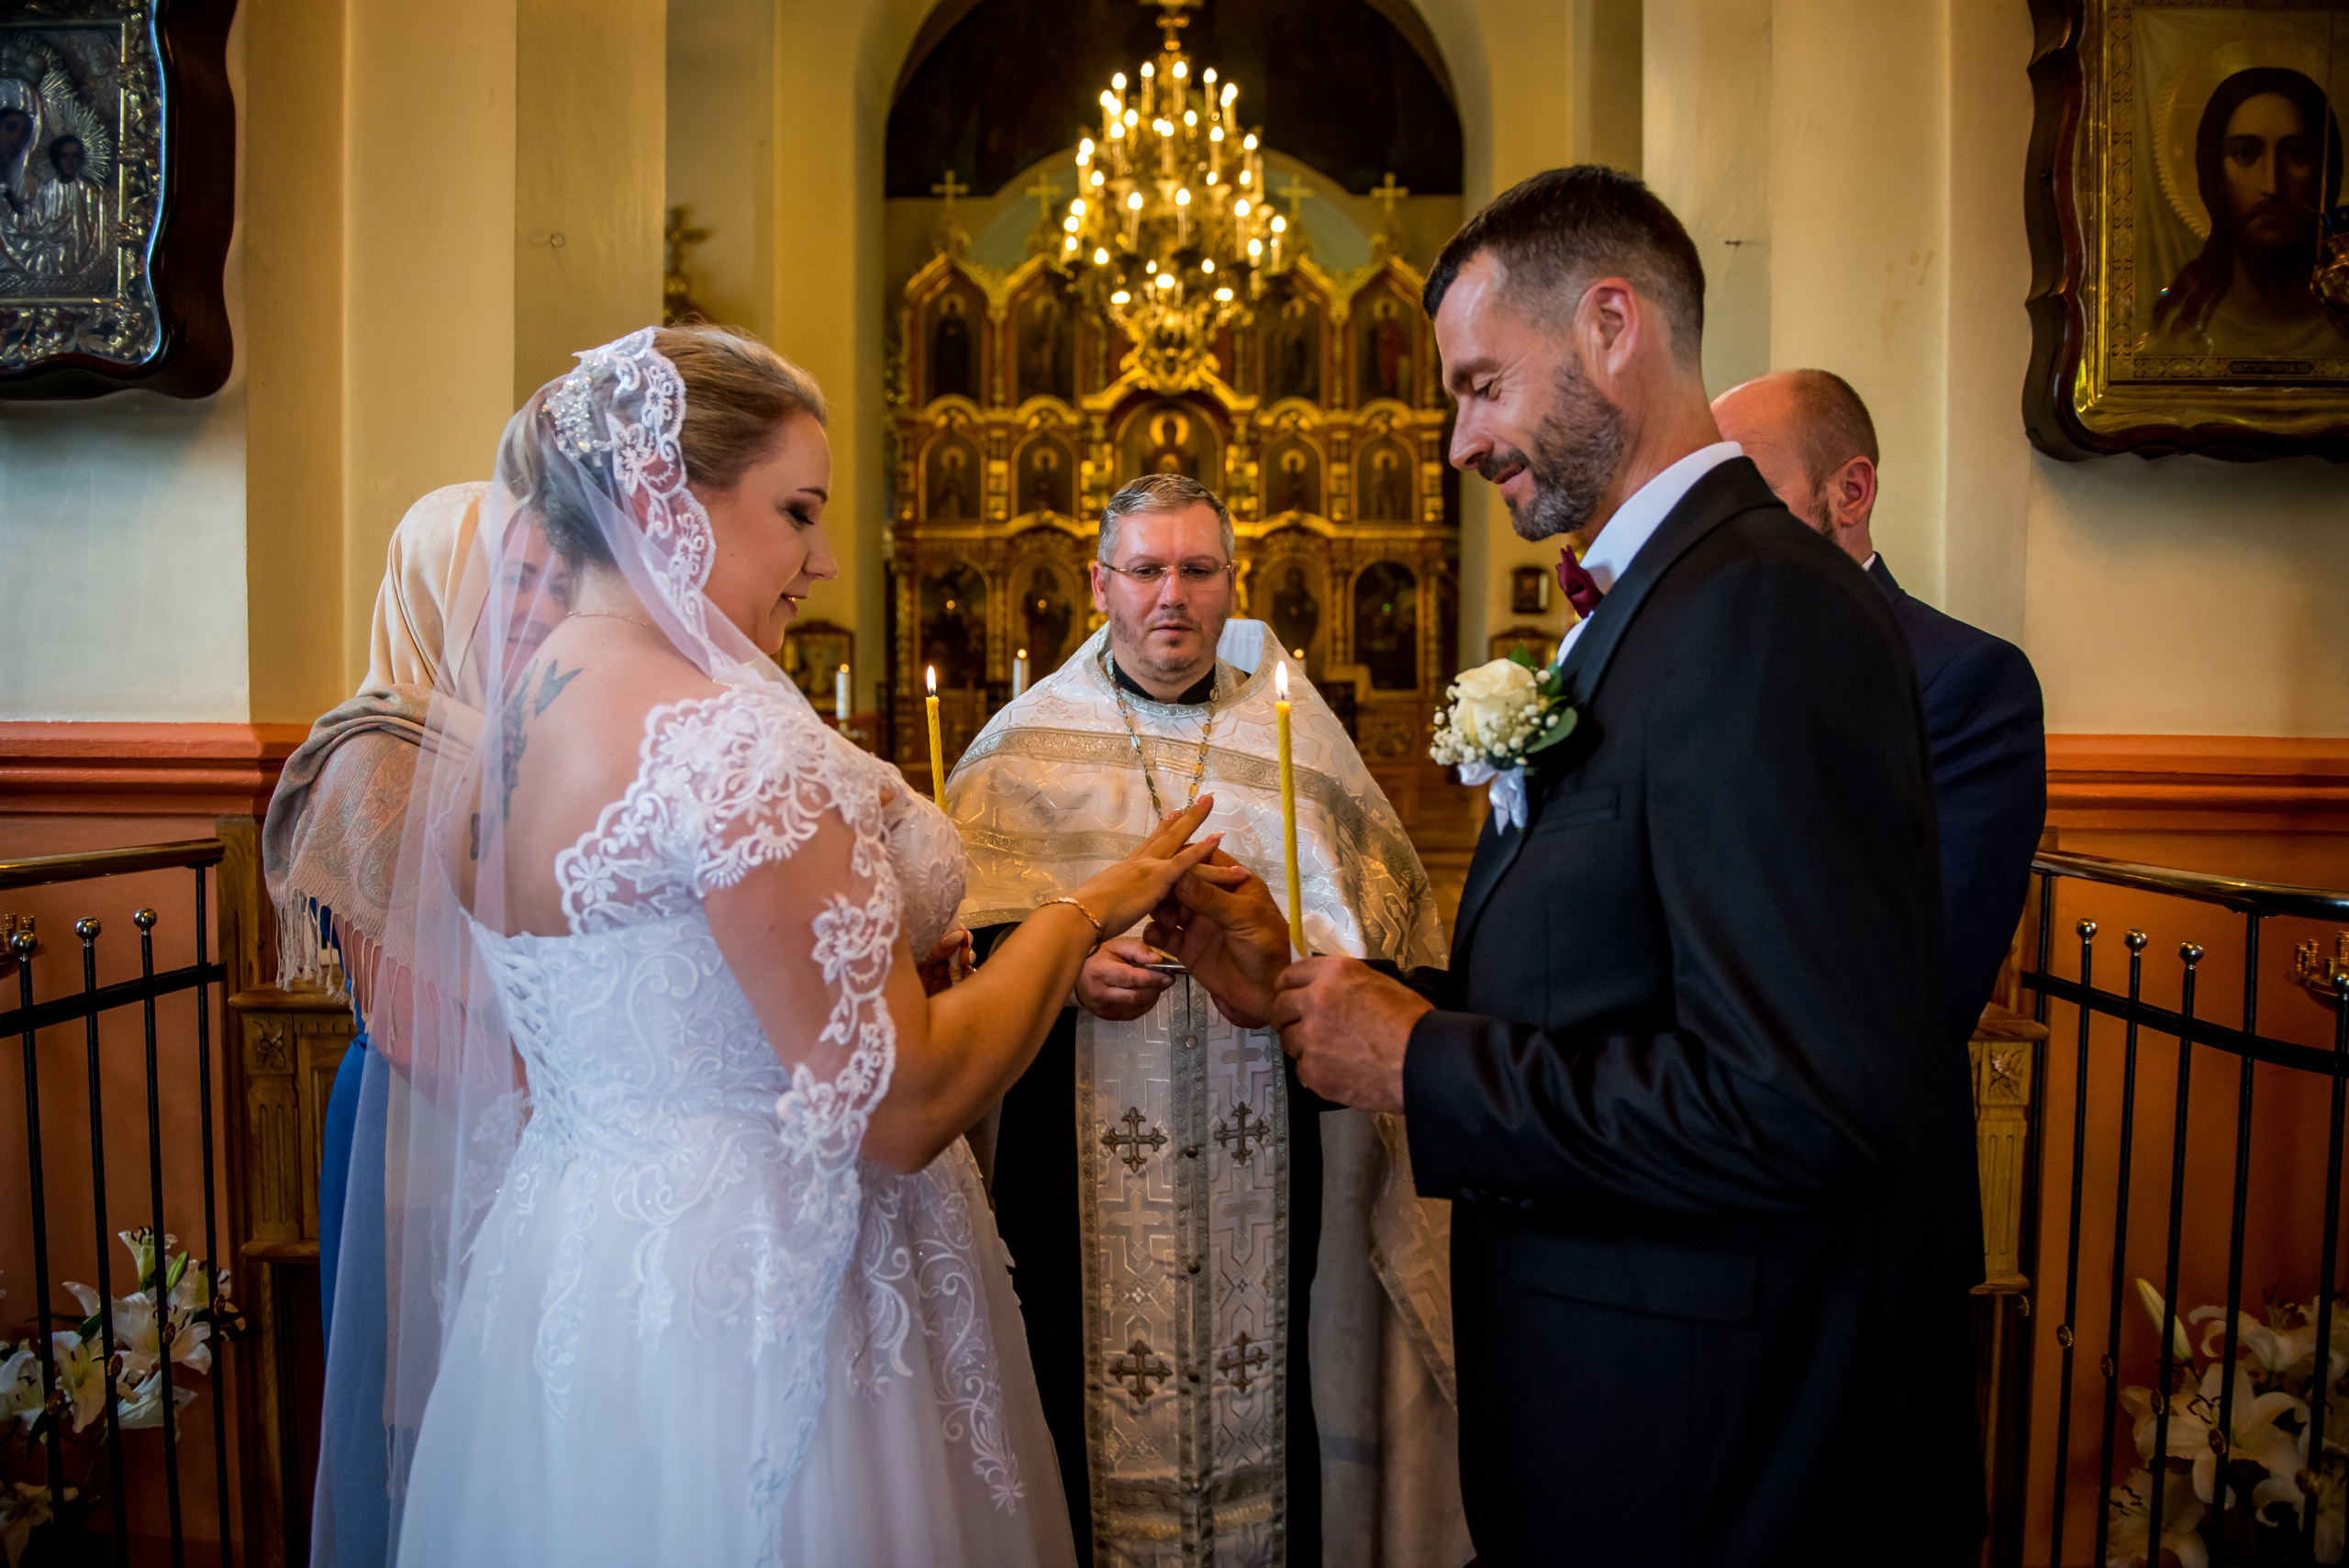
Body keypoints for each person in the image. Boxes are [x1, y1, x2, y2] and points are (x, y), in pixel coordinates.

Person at [314, 324, 1244, 1567]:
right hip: (765, 1289)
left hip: (571, 1269)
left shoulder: (508, 730)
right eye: (797, 511)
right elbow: (901, 1105)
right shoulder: (727, 740)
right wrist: (1090, 907)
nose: (824, 558)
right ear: (669, 496)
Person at [1252, 167, 1987, 1564]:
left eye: (1481, 385)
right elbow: (1610, 991)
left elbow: (1794, 1102)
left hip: (1711, 1460)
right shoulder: (1654, 608)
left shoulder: (1759, 611)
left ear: (1609, 326)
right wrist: (1346, 996)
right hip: (1619, 1422)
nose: (1460, 441)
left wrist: (1424, 1062)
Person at [944, 473, 1468, 1568]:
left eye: (1196, 569)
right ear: (1100, 583)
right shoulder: (1016, 749)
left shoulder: (1301, 744)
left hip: (1262, 1148)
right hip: (1070, 1148)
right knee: (1067, 1395)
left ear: (1234, 581)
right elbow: (958, 952)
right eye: (1145, 569)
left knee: (1272, 1380)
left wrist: (1277, 955)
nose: (1171, 595)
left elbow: (1382, 942)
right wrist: (1064, 967)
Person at [1712, 368, 2047, 1048]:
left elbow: (1932, 973)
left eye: (1747, 496)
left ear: (1851, 492)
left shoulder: (1964, 678)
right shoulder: (1695, 656)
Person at [2144, 66, 2349, 356]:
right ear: (2217, 176)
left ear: (2324, 173)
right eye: (2246, 154)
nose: (2272, 186)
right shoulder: (2181, 325)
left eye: (2296, 154)